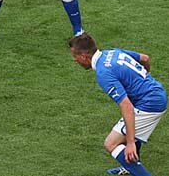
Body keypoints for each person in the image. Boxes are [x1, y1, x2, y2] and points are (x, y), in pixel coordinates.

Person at [69, 33, 167, 175]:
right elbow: (145, 58)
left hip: (150, 103)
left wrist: (131, 142)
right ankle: (129, 166)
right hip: (155, 93)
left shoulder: (103, 73)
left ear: (84, 56)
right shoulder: (112, 52)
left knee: (111, 143)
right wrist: (146, 77)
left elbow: (126, 106)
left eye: (75, 57)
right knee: (127, 127)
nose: (75, 60)